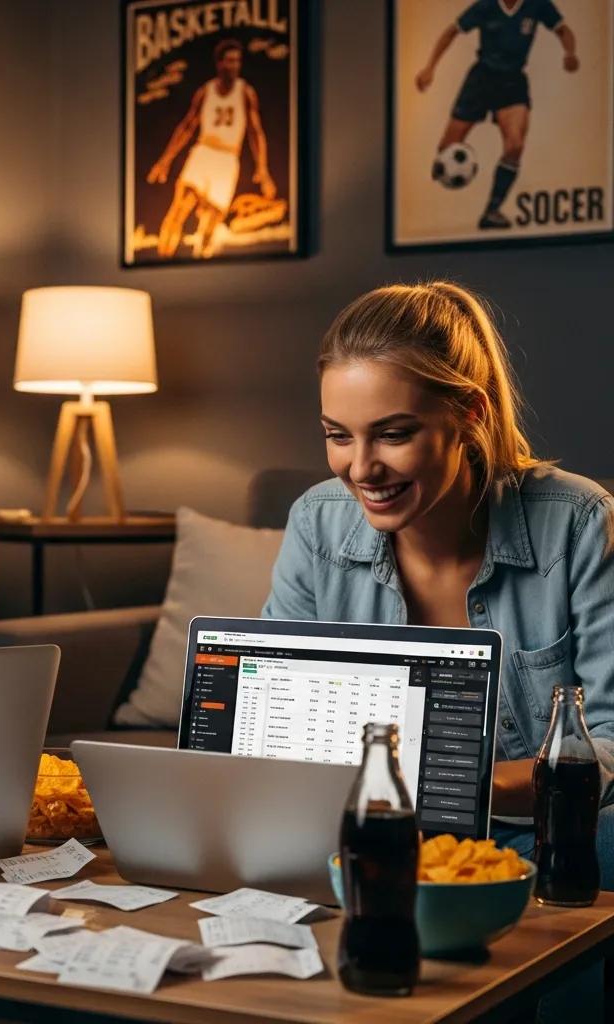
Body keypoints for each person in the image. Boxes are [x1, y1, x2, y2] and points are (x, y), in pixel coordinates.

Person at [263, 282, 614, 887]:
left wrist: (450, 783)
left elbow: (610, 742)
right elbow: (272, 711)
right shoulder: (316, 523)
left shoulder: (579, 522)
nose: (362, 468)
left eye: (394, 434)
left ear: (470, 412)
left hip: (540, 827)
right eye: (338, 435)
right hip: (366, 826)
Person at [415, 0, 578, 230]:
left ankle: (492, 211)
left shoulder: (537, 5)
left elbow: (563, 30)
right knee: (446, 150)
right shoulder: (486, 5)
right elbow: (452, 31)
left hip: (512, 82)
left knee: (515, 145)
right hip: (482, 79)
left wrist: (570, 52)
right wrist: (429, 68)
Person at [147, 38, 277, 259]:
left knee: (211, 223)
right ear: (219, 63)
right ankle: (163, 254)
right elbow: (187, 127)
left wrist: (262, 168)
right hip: (204, 152)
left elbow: (255, 132)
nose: (233, 66)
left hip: (227, 160)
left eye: (237, 61)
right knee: (179, 209)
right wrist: (164, 160)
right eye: (229, 61)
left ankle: (199, 265)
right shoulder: (206, 91)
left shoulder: (245, 92)